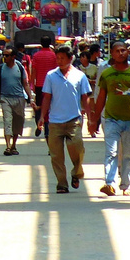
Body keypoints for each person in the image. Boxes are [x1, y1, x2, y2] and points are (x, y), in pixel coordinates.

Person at [88, 40, 130, 196]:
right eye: (117, 51)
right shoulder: (107, 74)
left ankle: (126, 185)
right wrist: (93, 120)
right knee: (111, 152)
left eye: (123, 50)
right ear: (112, 54)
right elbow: (100, 97)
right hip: (111, 119)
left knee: (128, 153)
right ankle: (109, 183)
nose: (121, 53)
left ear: (128, 52)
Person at [39, 45, 92, 194]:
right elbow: (47, 98)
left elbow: (85, 98)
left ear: (70, 58)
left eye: (63, 58)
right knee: (56, 155)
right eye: (58, 58)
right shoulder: (51, 76)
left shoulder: (79, 76)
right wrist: (42, 117)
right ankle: (62, 183)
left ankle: (76, 172)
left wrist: (90, 119)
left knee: (77, 148)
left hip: (73, 120)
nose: (60, 61)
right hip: (55, 122)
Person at [0, 46, 31, 156]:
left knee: (18, 123)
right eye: (3, 55)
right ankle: (8, 146)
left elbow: (25, 84)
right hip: (5, 98)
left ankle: (14, 144)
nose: (4, 57)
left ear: (13, 56)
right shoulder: (0, 68)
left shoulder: (20, 67)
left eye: (7, 55)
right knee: (7, 121)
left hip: (19, 98)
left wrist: (31, 98)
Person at [29, 39, 59, 138]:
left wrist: (32, 84)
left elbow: (33, 71)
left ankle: (39, 123)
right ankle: (47, 125)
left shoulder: (36, 55)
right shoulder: (54, 55)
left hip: (39, 85)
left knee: (38, 106)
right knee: (50, 106)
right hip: (52, 85)